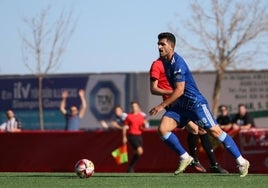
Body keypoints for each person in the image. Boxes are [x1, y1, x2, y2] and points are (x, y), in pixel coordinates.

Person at [149, 32, 249, 177]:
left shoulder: (178, 63)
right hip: (182, 106)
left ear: (171, 47)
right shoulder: (163, 62)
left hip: (196, 104)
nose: (159, 46)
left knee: (215, 132)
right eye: (158, 44)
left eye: (162, 44)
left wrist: (161, 106)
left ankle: (241, 161)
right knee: (163, 129)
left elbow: (179, 90)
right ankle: (185, 157)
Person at [150, 53, 228, 173]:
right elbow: (153, 89)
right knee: (194, 129)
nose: (161, 48)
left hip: (184, 100)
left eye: (163, 44)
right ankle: (194, 160)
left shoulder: (174, 63)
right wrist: (173, 92)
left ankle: (209, 164)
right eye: (160, 45)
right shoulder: (157, 65)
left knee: (200, 129)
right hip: (173, 103)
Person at [122, 101, 146, 172]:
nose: (134, 108)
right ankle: (130, 167)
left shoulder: (141, 117)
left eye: (135, 106)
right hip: (132, 135)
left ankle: (130, 168)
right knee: (140, 151)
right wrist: (124, 137)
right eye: (132, 107)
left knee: (136, 152)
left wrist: (144, 125)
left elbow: (142, 128)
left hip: (139, 136)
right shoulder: (129, 116)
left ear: (138, 107)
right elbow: (125, 127)